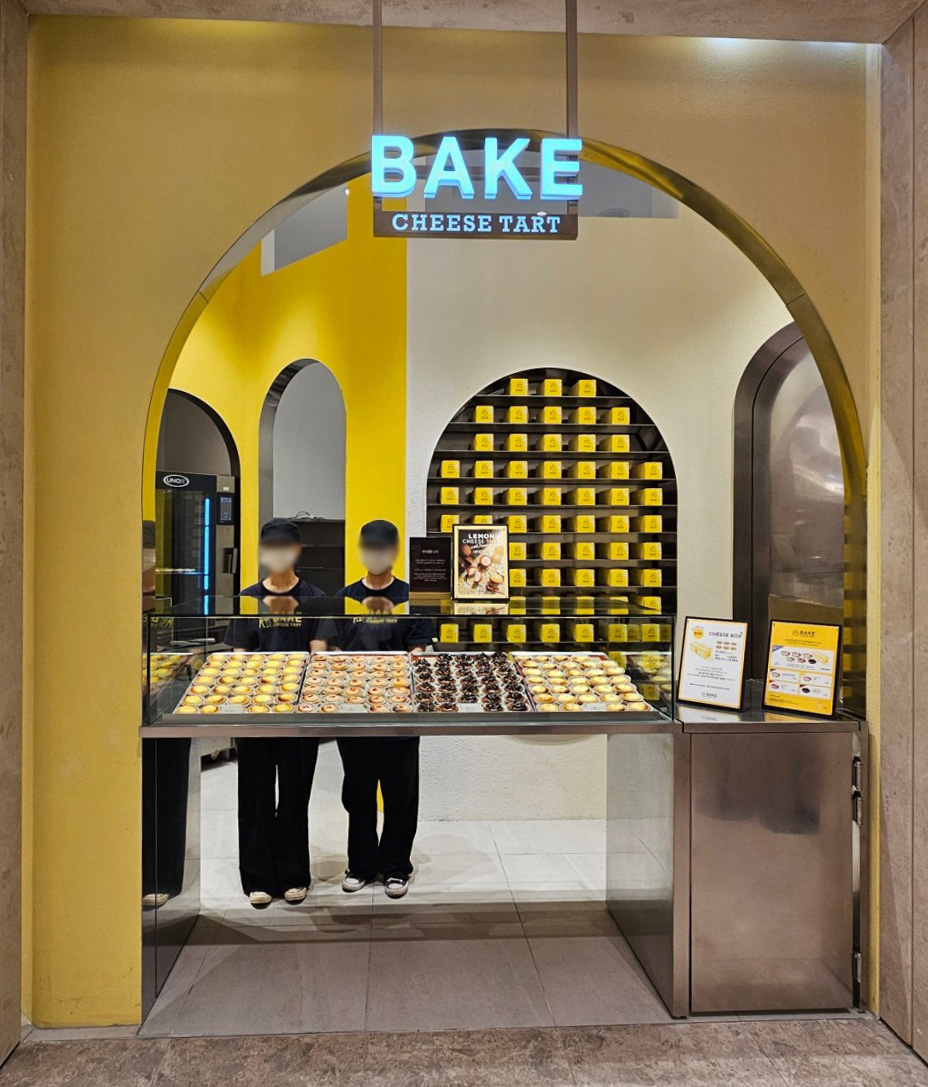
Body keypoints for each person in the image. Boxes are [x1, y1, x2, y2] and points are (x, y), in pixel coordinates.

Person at [318, 520, 433, 899]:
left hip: (400, 713)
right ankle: (362, 865)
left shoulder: (411, 597)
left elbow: (418, 651)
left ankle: (396, 866)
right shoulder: (345, 597)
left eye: (383, 548)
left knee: (401, 794)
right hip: (354, 714)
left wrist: (393, 678)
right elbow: (333, 649)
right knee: (358, 793)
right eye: (370, 548)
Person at [228, 518, 325, 909]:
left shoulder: (315, 598)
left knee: (294, 796)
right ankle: (257, 877)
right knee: (254, 796)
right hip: (255, 715)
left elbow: (319, 653)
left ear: (297, 551)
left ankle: (293, 874)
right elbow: (239, 656)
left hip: (299, 716)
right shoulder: (248, 599)